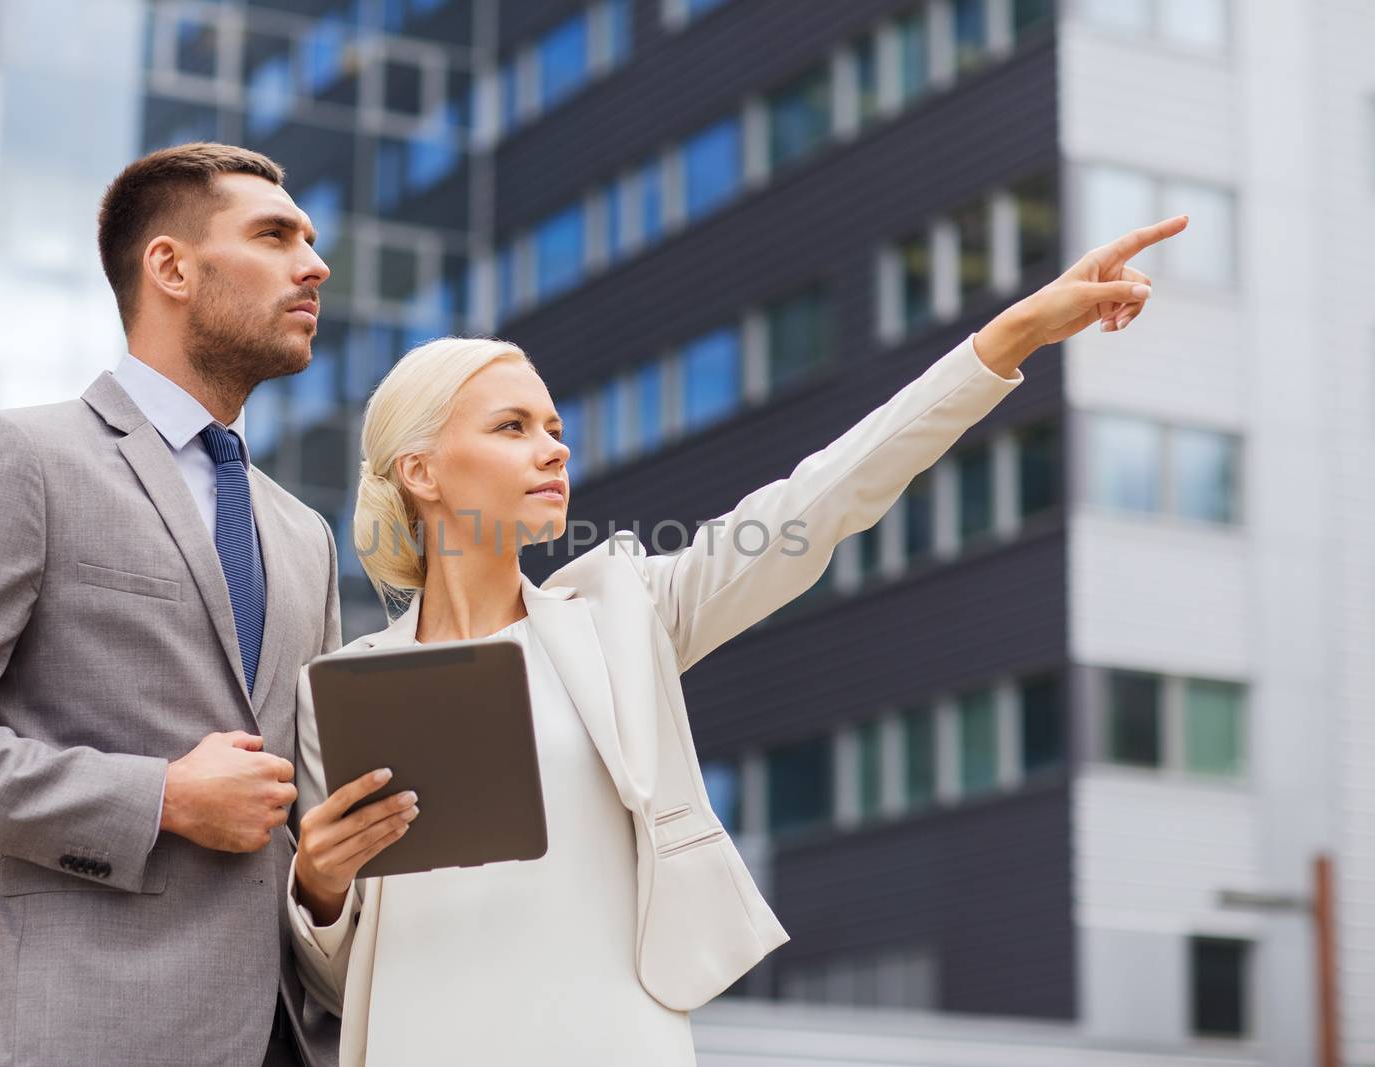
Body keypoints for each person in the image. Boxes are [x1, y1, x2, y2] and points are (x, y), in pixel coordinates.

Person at [282, 215, 1188, 1065]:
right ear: (421, 470)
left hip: (605, 1034)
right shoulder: (348, 688)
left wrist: (1017, 331)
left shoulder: (622, 615)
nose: (555, 448)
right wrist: (318, 883)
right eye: (513, 427)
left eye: (555, 427)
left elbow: (826, 495)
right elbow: (337, 975)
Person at [0, 143, 342, 1066]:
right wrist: (159, 796)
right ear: (171, 267)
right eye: (275, 235)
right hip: (83, 1034)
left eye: (310, 240)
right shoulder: (23, 460)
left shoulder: (303, 532)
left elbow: (307, 800)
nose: (315, 264)